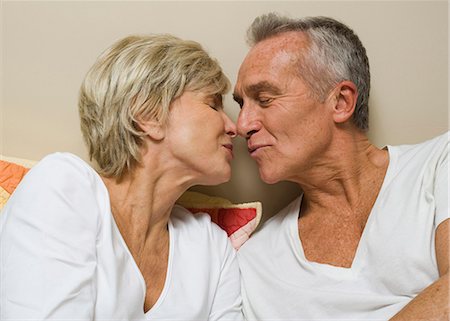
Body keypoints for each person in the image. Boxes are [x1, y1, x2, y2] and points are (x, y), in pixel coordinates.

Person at [1, 34, 243, 320]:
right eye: (213, 104)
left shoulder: (211, 246)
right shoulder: (62, 187)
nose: (233, 127)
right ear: (148, 114)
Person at [234, 13, 448, 321]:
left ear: (341, 102)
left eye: (264, 99)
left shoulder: (439, 163)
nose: (242, 125)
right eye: (242, 104)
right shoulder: (257, 262)